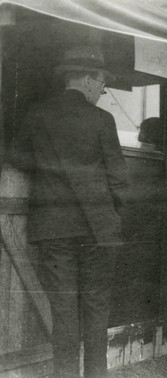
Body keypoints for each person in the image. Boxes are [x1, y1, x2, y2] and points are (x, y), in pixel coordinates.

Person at [12, 45, 129, 378]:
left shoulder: (37, 114)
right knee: (96, 312)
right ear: (89, 80)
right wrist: (112, 214)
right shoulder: (103, 120)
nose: (103, 89)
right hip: (98, 231)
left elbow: (18, 158)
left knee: (63, 313)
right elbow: (119, 179)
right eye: (102, 81)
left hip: (53, 230)